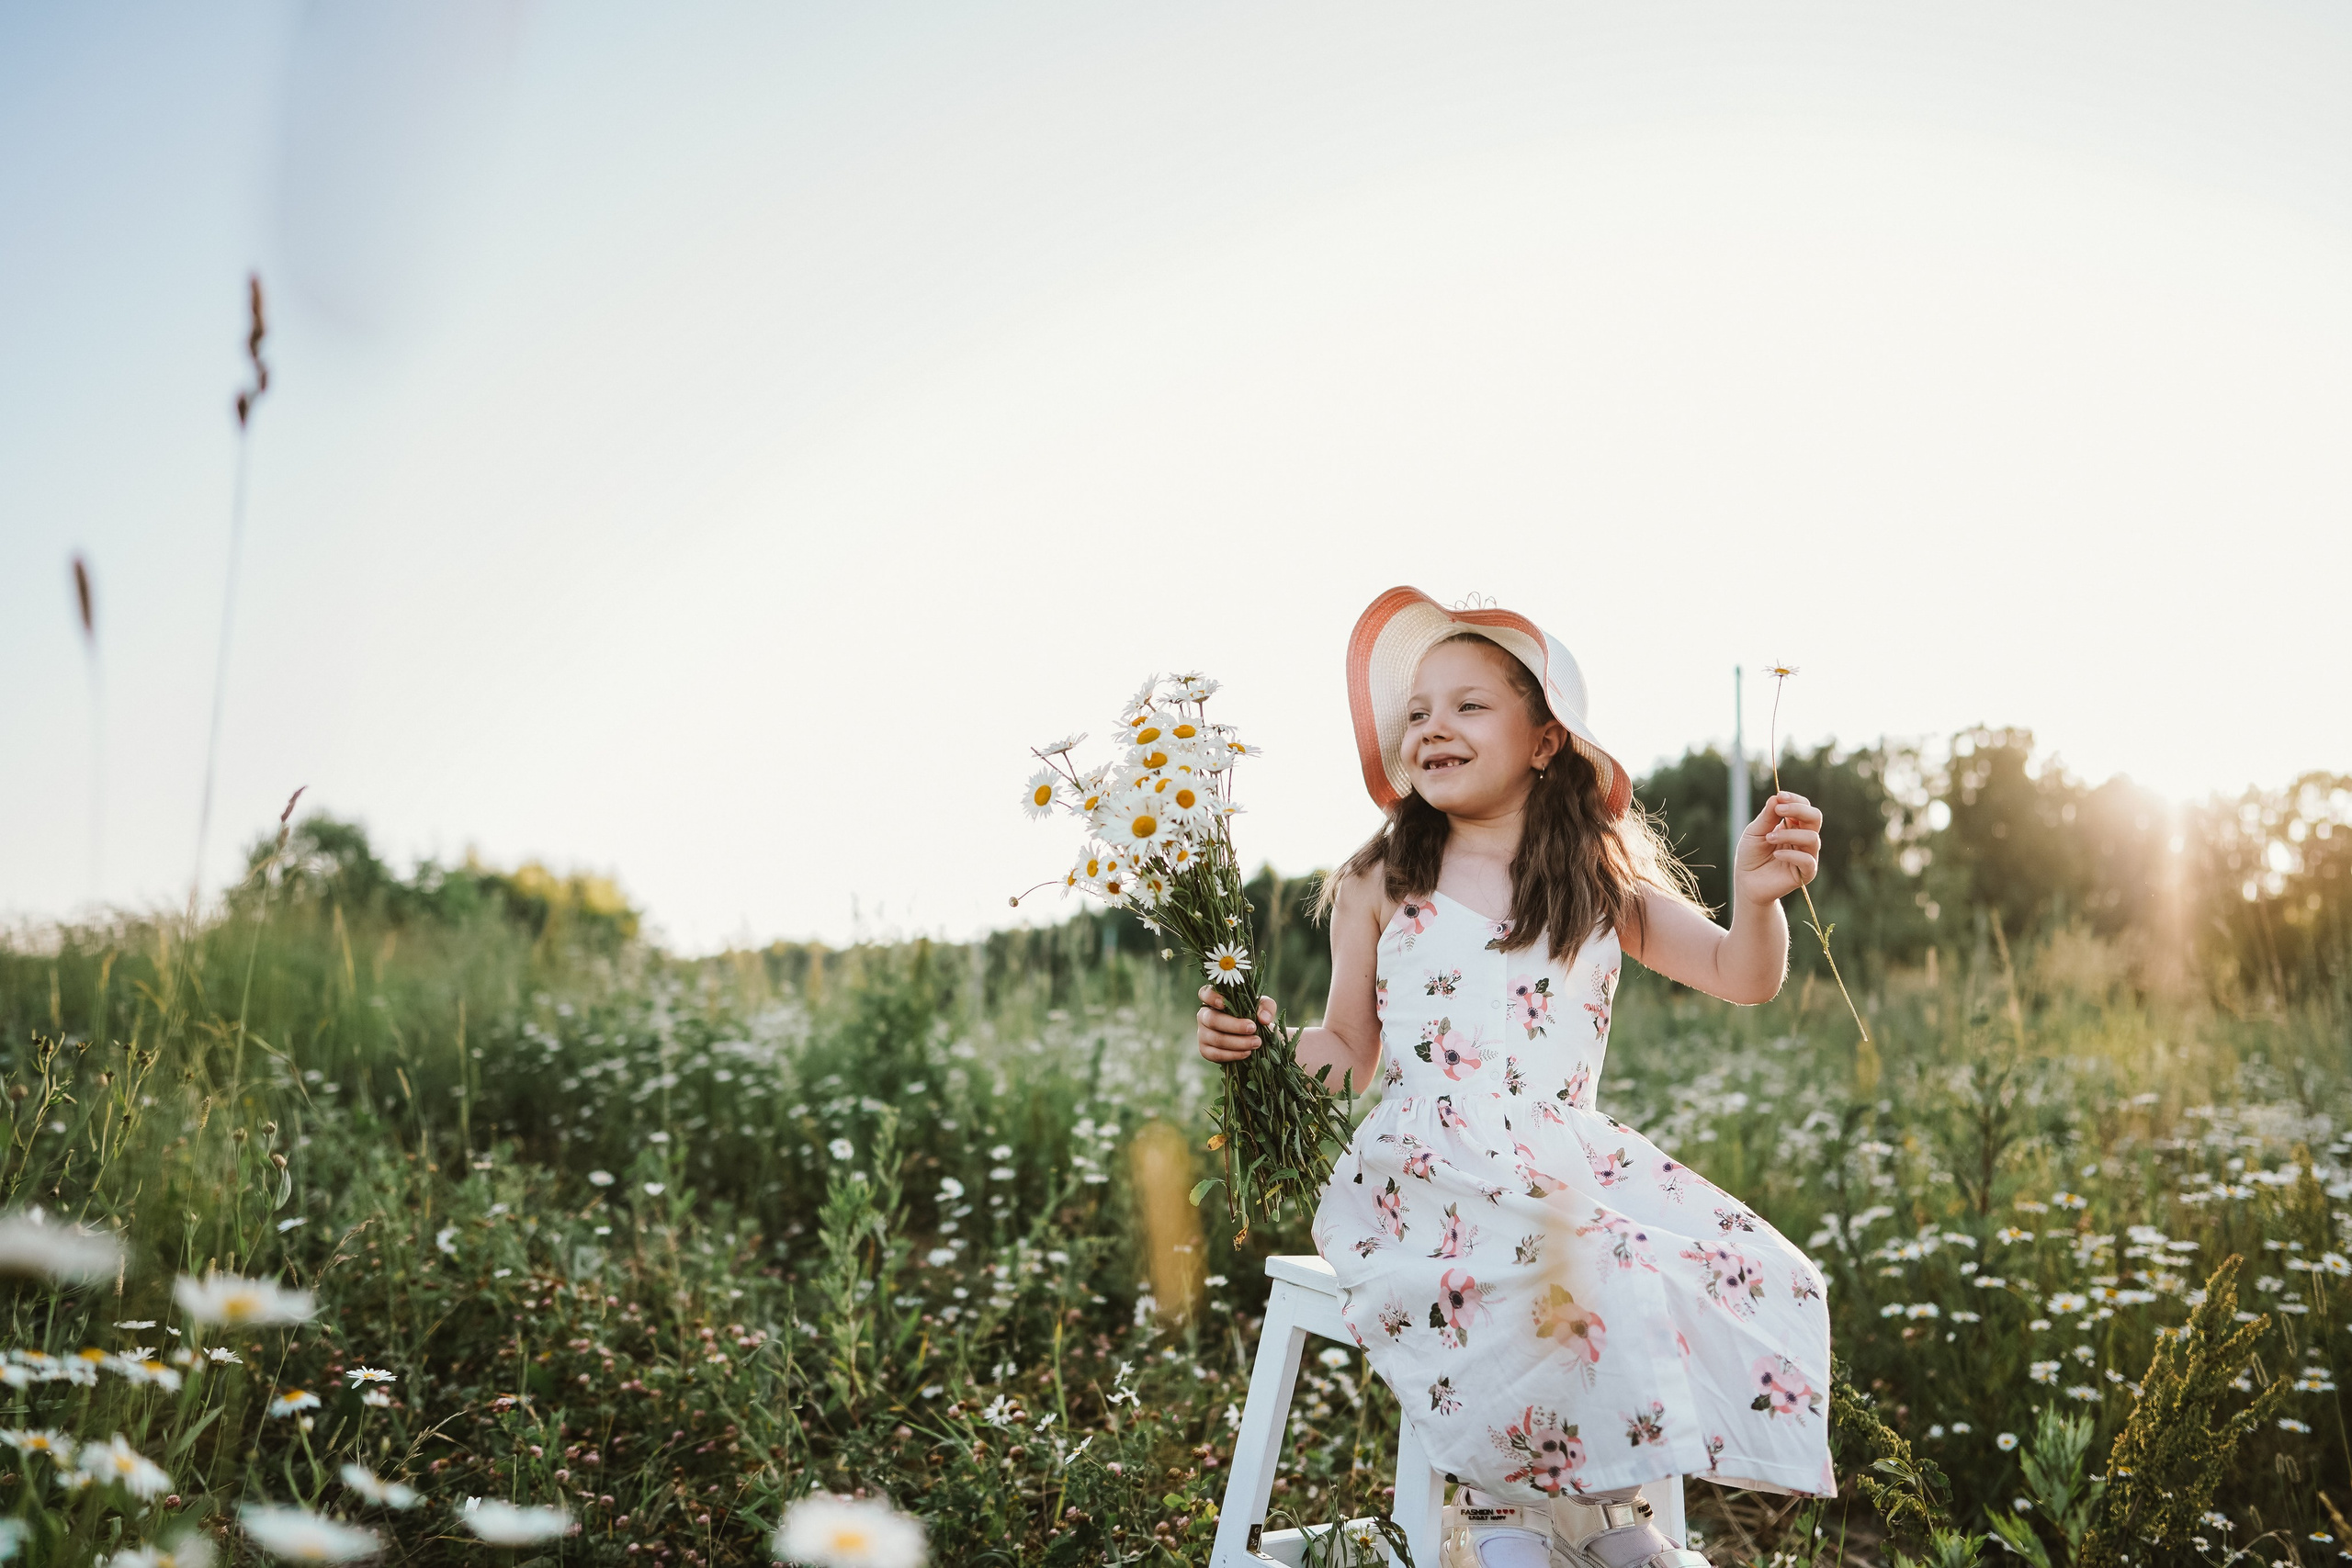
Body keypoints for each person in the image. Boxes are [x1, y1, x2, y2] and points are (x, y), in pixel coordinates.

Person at [1197, 588, 1836, 1568]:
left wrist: (1758, 899)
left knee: (1732, 1262)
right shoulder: (1378, 884)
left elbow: (1741, 976)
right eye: (1415, 712)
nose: (1431, 727)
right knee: (1578, 1255)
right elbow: (1349, 1048)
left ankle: (1601, 1515)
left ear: (1547, 740)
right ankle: (1513, 1518)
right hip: (1422, 1173)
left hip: (1556, 1154)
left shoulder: (1596, 879)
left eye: (1466, 706)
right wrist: (1265, 1052)